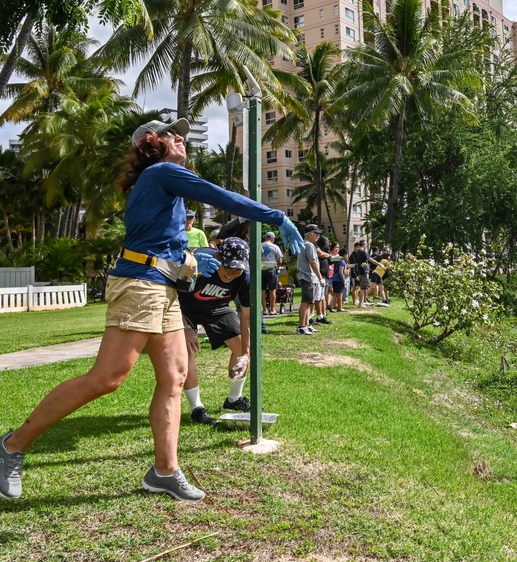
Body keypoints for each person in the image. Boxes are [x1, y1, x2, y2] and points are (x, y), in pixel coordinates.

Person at [0, 117, 305, 502]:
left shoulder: (164, 186)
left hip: (163, 289)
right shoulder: (162, 172)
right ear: (150, 143)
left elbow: (161, 240)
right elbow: (219, 195)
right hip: (140, 286)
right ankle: (12, 445)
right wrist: (276, 216)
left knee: (175, 376)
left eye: (181, 133)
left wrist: (195, 256)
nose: (180, 138)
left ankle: (164, 470)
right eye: (170, 134)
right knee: (108, 377)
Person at [178, 237, 255, 425]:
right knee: (186, 350)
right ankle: (197, 409)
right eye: (227, 269)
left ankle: (233, 400)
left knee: (241, 347)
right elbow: (170, 295)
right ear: (218, 257)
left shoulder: (245, 277)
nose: (230, 276)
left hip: (217, 307)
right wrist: (186, 328)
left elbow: (246, 317)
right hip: (183, 308)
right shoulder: (197, 262)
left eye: (236, 271)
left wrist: (245, 354)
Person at [296, 225, 325, 334]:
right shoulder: (309, 245)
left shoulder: (306, 245)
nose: (318, 236)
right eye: (316, 233)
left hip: (309, 278)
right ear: (309, 234)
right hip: (308, 277)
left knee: (310, 302)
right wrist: (320, 278)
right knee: (306, 302)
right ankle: (302, 326)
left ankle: (307, 324)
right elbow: (313, 262)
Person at [261, 231, 283, 316]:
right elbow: (280, 260)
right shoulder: (275, 247)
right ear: (272, 239)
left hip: (261, 268)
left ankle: (264, 309)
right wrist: (278, 266)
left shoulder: (259, 245)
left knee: (262, 290)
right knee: (272, 289)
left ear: (265, 238)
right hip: (271, 268)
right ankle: (272, 309)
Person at [313, 230, 332, 325]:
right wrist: (329, 255)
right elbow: (321, 254)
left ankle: (320, 316)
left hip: (323, 275)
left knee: (320, 297)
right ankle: (311, 317)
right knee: (316, 297)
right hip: (317, 275)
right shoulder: (313, 246)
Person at [349, 240, 373, 307]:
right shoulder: (359, 253)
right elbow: (353, 266)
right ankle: (359, 302)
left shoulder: (357, 253)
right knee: (360, 288)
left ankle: (362, 301)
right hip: (360, 273)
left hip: (359, 272)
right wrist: (379, 264)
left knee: (361, 288)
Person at [329, 247, 348, 312]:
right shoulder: (342, 261)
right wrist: (344, 280)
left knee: (336, 293)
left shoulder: (337, 260)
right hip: (339, 279)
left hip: (334, 278)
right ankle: (340, 308)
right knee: (340, 294)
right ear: (345, 255)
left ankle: (331, 305)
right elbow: (341, 271)